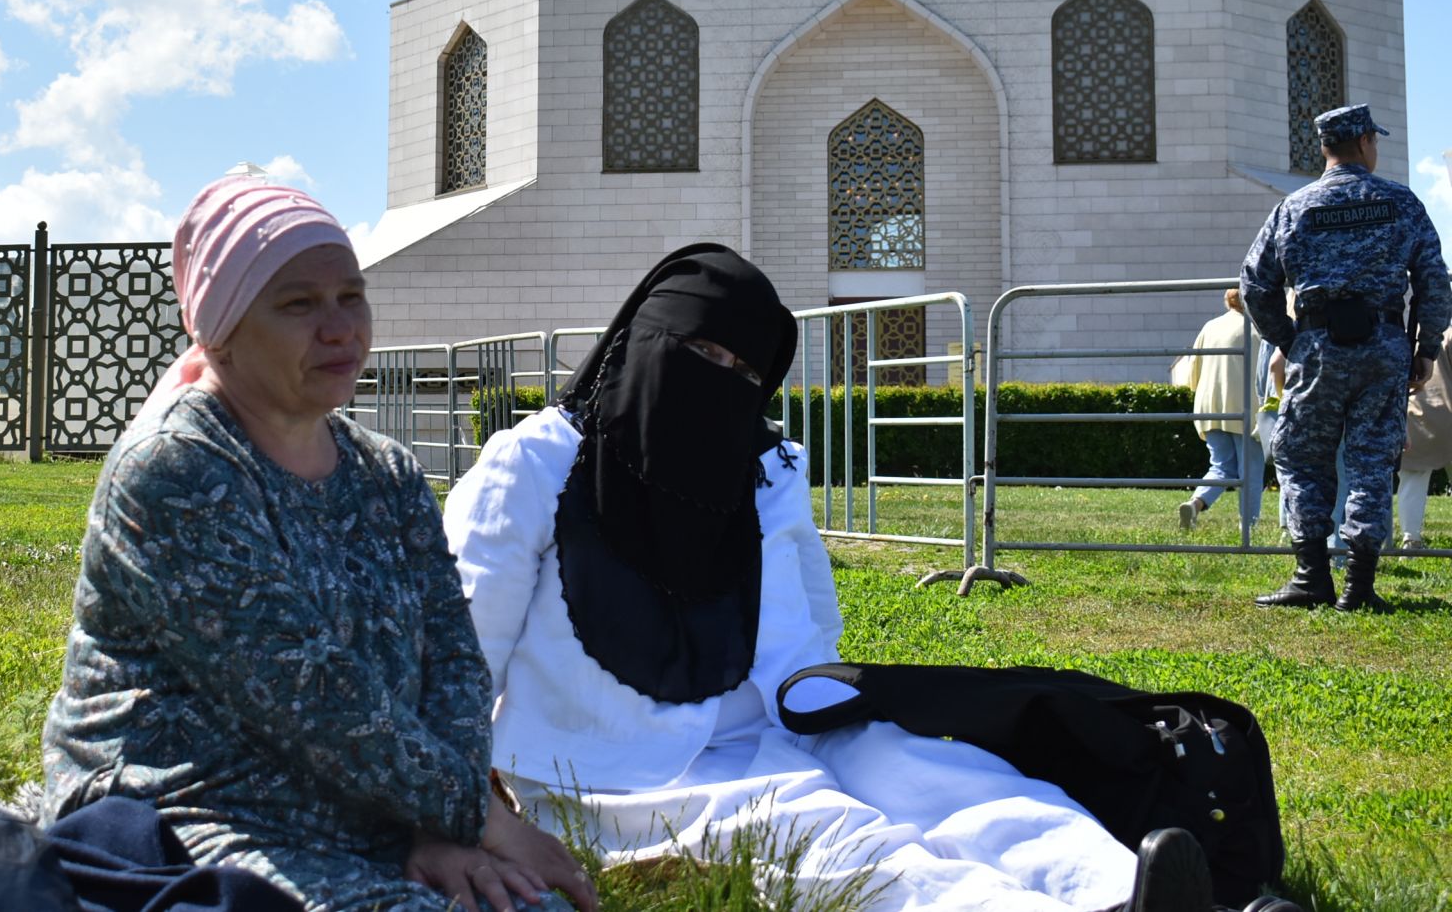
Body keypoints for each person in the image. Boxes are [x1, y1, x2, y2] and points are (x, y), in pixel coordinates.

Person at [444, 245, 1215, 912]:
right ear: (646, 340)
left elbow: (810, 636)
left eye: (744, 371)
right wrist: (481, 816)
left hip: (776, 728)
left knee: (946, 775)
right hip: (612, 778)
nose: (720, 383)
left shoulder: (756, 479)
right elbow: (451, 665)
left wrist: (873, 721)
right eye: (703, 354)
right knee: (832, 837)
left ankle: (1120, 883)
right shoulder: (537, 465)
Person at [40, 175, 596, 912]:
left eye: (351, 296)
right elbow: (308, 692)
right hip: (192, 804)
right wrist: (480, 818)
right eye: (299, 304)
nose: (340, 327)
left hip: (367, 802)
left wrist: (446, 829)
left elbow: (454, 660)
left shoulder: (386, 470)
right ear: (223, 329)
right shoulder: (175, 470)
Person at [1242, 105, 1450, 612]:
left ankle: (1311, 576)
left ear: (1325, 147)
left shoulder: (1294, 207)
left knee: (1303, 459)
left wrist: (1289, 340)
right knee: (1373, 462)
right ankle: (1359, 587)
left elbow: (1255, 285)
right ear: (1363, 142)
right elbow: (1433, 282)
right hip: (1383, 347)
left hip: (1317, 348)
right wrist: (1425, 348)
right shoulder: (1400, 202)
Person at [1175, 289, 1264, 535]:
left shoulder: (1210, 327)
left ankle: (1195, 503)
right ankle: (1248, 526)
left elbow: (1192, 370)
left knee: (1222, 466)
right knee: (1251, 471)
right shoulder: (1257, 328)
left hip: (1209, 408)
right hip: (1245, 408)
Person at [1395, 322, 1452, 550]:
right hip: (1448, 415)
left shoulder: (1410, 330)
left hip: (1415, 414)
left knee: (1412, 479)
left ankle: (1411, 538)